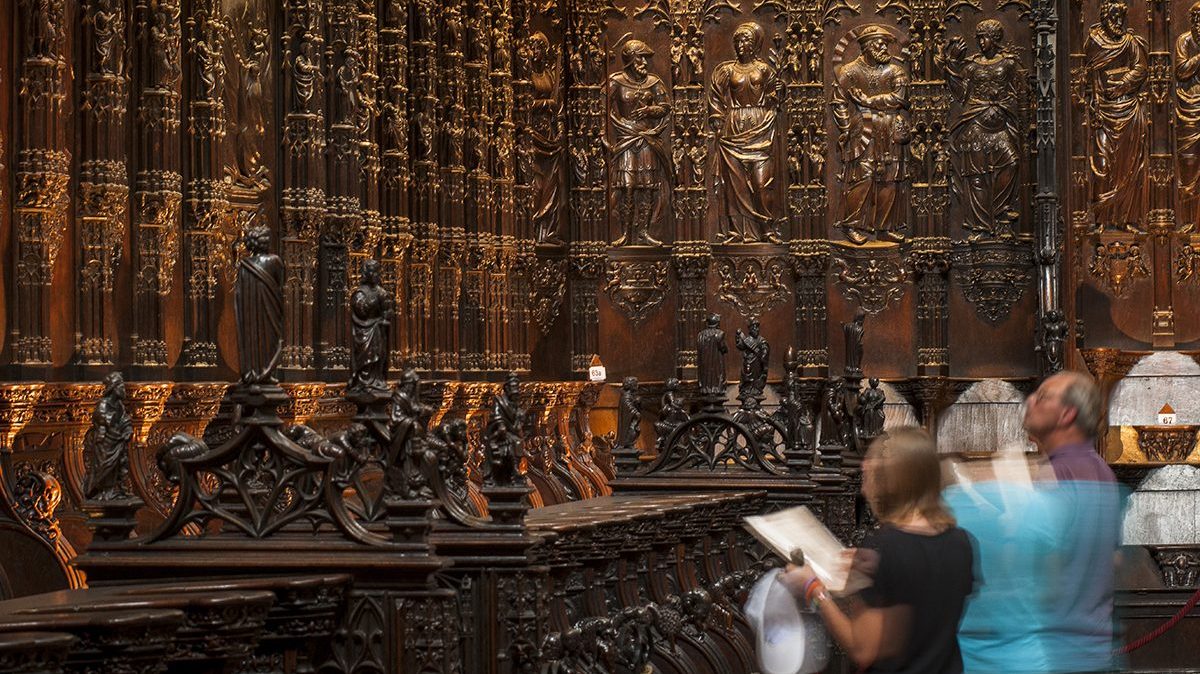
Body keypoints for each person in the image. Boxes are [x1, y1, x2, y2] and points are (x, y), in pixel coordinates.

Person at [782, 427, 974, 673]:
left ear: (891, 482)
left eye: (868, 477)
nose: (864, 491)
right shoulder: (960, 541)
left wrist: (812, 588)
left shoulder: (887, 545)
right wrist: (866, 577)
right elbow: (919, 602)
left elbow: (862, 649)